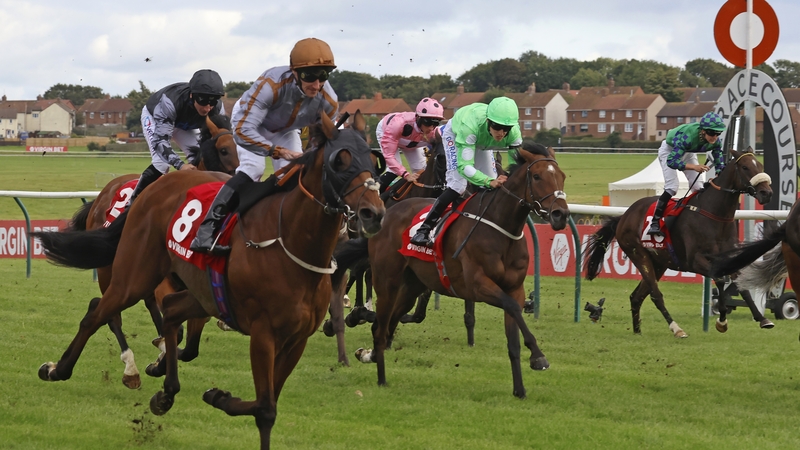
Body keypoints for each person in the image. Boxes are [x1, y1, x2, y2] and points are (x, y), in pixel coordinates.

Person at [190, 37, 339, 255]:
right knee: (253, 169)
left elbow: (321, 142)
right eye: (309, 76)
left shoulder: (329, 101)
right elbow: (243, 131)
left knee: (295, 175)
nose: (316, 85)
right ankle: (206, 230)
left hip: (285, 130)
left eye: (323, 76)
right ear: (294, 72)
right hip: (250, 124)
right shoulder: (271, 85)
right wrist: (278, 151)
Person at [410, 96, 522, 247]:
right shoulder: (469, 128)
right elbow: (465, 168)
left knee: (492, 183)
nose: (501, 133)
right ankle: (423, 230)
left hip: (482, 140)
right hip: (457, 135)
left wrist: (505, 179)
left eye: (506, 129)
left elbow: (516, 167)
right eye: (497, 126)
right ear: (488, 121)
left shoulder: (514, 133)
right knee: (458, 186)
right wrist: (489, 181)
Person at [130, 69, 226, 204]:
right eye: (203, 102)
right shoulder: (170, 102)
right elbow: (160, 142)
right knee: (161, 163)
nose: (207, 108)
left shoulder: (218, 109)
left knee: (202, 159)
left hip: (184, 126)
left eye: (212, 102)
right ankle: (132, 204)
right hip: (157, 119)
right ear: (192, 95)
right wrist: (180, 165)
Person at [647, 111, 726, 236]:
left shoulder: (716, 141)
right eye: (712, 133)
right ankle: (655, 222)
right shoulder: (688, 137)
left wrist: (719, 172)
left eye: (718, 133)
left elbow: (719, 159)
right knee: (672, 187)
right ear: (703, 131)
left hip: (688, 152)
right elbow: (672, 162)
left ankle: (698, 218)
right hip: (669, 152)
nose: (715, 137)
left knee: (698, 187)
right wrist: (694, 167)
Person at [376, 97, 445, 194]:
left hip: (411, 140)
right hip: (387, 131)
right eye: (428, 123)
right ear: (419, 118)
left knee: (420, 170)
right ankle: (375, 194)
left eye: (435, 124)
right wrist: (405, 174)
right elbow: (389, 156)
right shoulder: (398, 125)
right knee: (393, 170)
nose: (431, 128)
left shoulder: (434, 133)